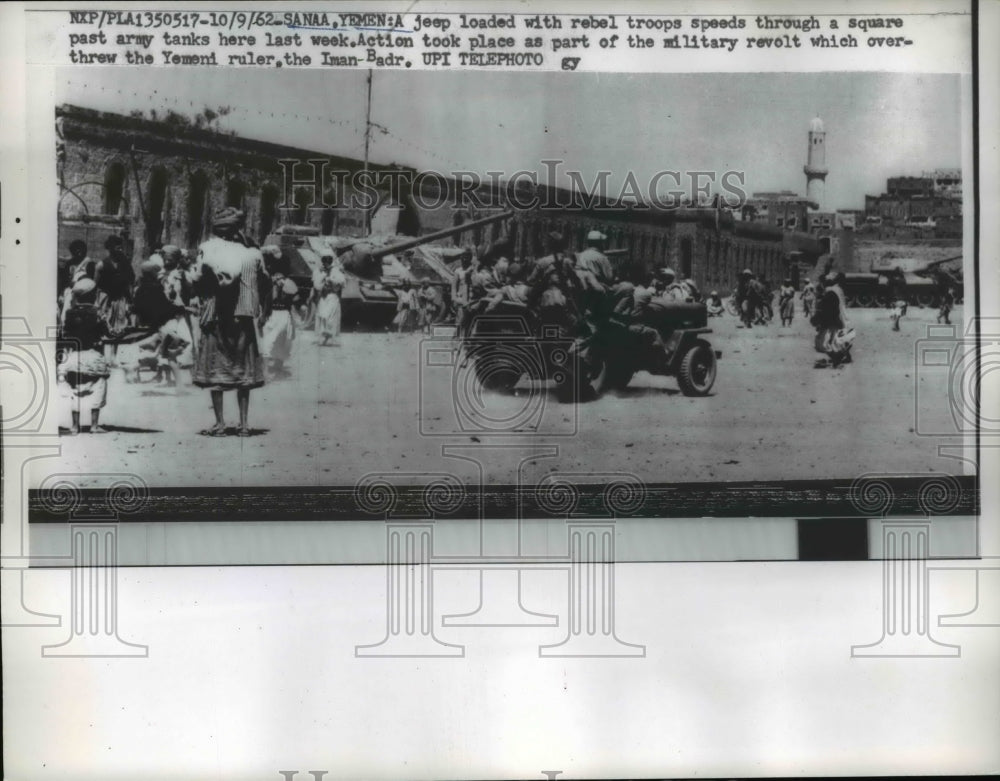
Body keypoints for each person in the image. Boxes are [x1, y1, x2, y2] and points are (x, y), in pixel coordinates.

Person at [190, 207, 271, 437]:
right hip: (244, 317)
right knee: (242, 371)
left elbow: (197, 279)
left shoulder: (208, 248)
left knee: (217, 370)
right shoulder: (254, 254)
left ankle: (220, 424)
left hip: (216, 316)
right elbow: (265, 281)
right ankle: (244, 425)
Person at [58, 278, 112, 434]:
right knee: (99, 386)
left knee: (76, 390)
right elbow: (106, 332)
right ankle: (94, 425)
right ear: (92, 295)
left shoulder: (69, 313)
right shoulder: (97, 313)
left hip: (74, 356)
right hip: (92, 354)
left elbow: (65, 334)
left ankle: (75, 426)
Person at [260, 245, 298, 375]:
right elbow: (266, 300)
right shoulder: (268, 283)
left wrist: (283, 283)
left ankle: (278, 366)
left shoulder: (288, 283)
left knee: (282, 341)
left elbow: (294, 297)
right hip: (271, 314)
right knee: (267, 341)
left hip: (283, 314)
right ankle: (265, 369)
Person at [811, 272, 854, 368]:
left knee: (825, 342)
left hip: (832, 321)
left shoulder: (829, 293)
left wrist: (818, 320)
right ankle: (840, 357)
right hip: (837, 319)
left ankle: (837, 357)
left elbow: (828, 310)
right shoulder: (836, 290)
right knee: (833, 341)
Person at [312, 249, 346, 346]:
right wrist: (323, 277)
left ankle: (330, 337)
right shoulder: (318, 270)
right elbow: (316, 284)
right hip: (323, 296)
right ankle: (323, 337)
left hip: (332, 296)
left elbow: (342, 282)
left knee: (330, 317)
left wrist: (331, 280)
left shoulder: (336, 270)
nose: (326, 263)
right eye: (324, 261)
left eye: (328, 261)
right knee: (322, 316)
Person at [451, 249, 474, 338]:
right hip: (461, 299)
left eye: (467, 258)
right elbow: (453, 287)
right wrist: (454, 299)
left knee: (469, 321)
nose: (464, 260)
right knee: (460, 320)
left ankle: (465, 341)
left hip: (471, 298)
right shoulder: (458, 271)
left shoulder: (473, 270)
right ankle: (456, 340)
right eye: (463, 258)